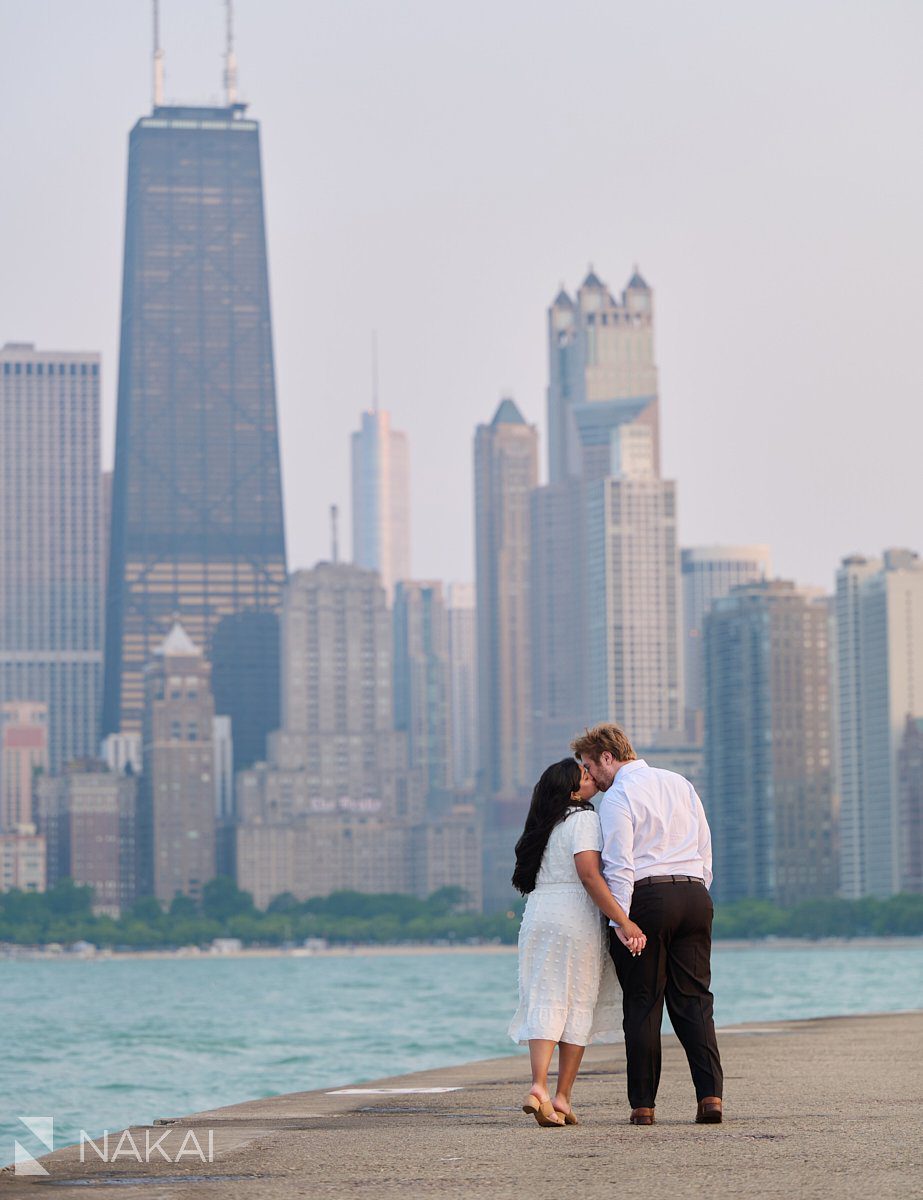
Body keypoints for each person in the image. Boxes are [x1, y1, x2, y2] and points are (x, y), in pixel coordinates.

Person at [572, 722, 724, 1127]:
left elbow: (619, 864)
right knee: (694, 1000)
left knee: (643, 1003)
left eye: (589, 765)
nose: (590, 777)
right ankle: (710, 1098)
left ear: (607, 756)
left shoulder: (619, 794)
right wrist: (697, 891)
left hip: (647, 898)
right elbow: (705, 846)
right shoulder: (680, 783)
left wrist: (621, 920)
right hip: (694, 895)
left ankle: (644, 1106)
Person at [508, 758, 647, 1127]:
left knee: (545, 995)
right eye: (584, 776)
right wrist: (623, 919)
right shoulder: (584, 818)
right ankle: (562, 1096)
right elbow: (588, 874)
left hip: (539, 915)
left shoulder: (543, 825)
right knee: (577, 1000)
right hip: (574, 914)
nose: (591, 778)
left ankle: (538, 1087)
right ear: (573, 791)